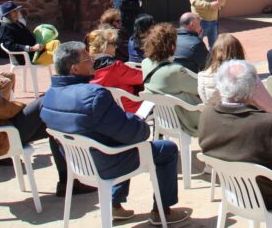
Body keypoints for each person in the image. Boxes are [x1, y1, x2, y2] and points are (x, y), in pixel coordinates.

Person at [41, 42, 191, 225]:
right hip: (105, 163)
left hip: (78, 163)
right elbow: (135, 134)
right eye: (88, 59)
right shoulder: (94, 95)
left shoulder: (49, 96)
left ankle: (115, 204)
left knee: (117, 140)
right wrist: (139, 122)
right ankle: (162, 212)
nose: (93, 62)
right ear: (75, 68)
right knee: (167, 149)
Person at [0, 35, 95, 196]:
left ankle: (68, 181)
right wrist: (25, 106)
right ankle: (70, 181)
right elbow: (4, 110)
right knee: (47, 102)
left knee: (54, 122)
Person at [199, 60, 272, 212]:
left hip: (233, 192)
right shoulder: (269, 124)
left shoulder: (206, 116)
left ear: (220, 86)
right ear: (253, 89)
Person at [141, 23, 201, 136]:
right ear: (171, 45)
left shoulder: (145, 64)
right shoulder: (175, 71)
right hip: (186, 122)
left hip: (163, 119)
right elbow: (200, 89)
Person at [198, 34, 272, 113]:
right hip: (245, 119)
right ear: (239, 52)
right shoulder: (247, 77)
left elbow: (206, 104)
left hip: (215, 120)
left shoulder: (202, 77)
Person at [87, 28, 144, 113]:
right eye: (113, 44)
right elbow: (142, 77)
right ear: (104, 45)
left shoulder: (87, 66)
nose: (116, 47)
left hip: (105, 110)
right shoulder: (116, 66)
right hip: (129, 108)